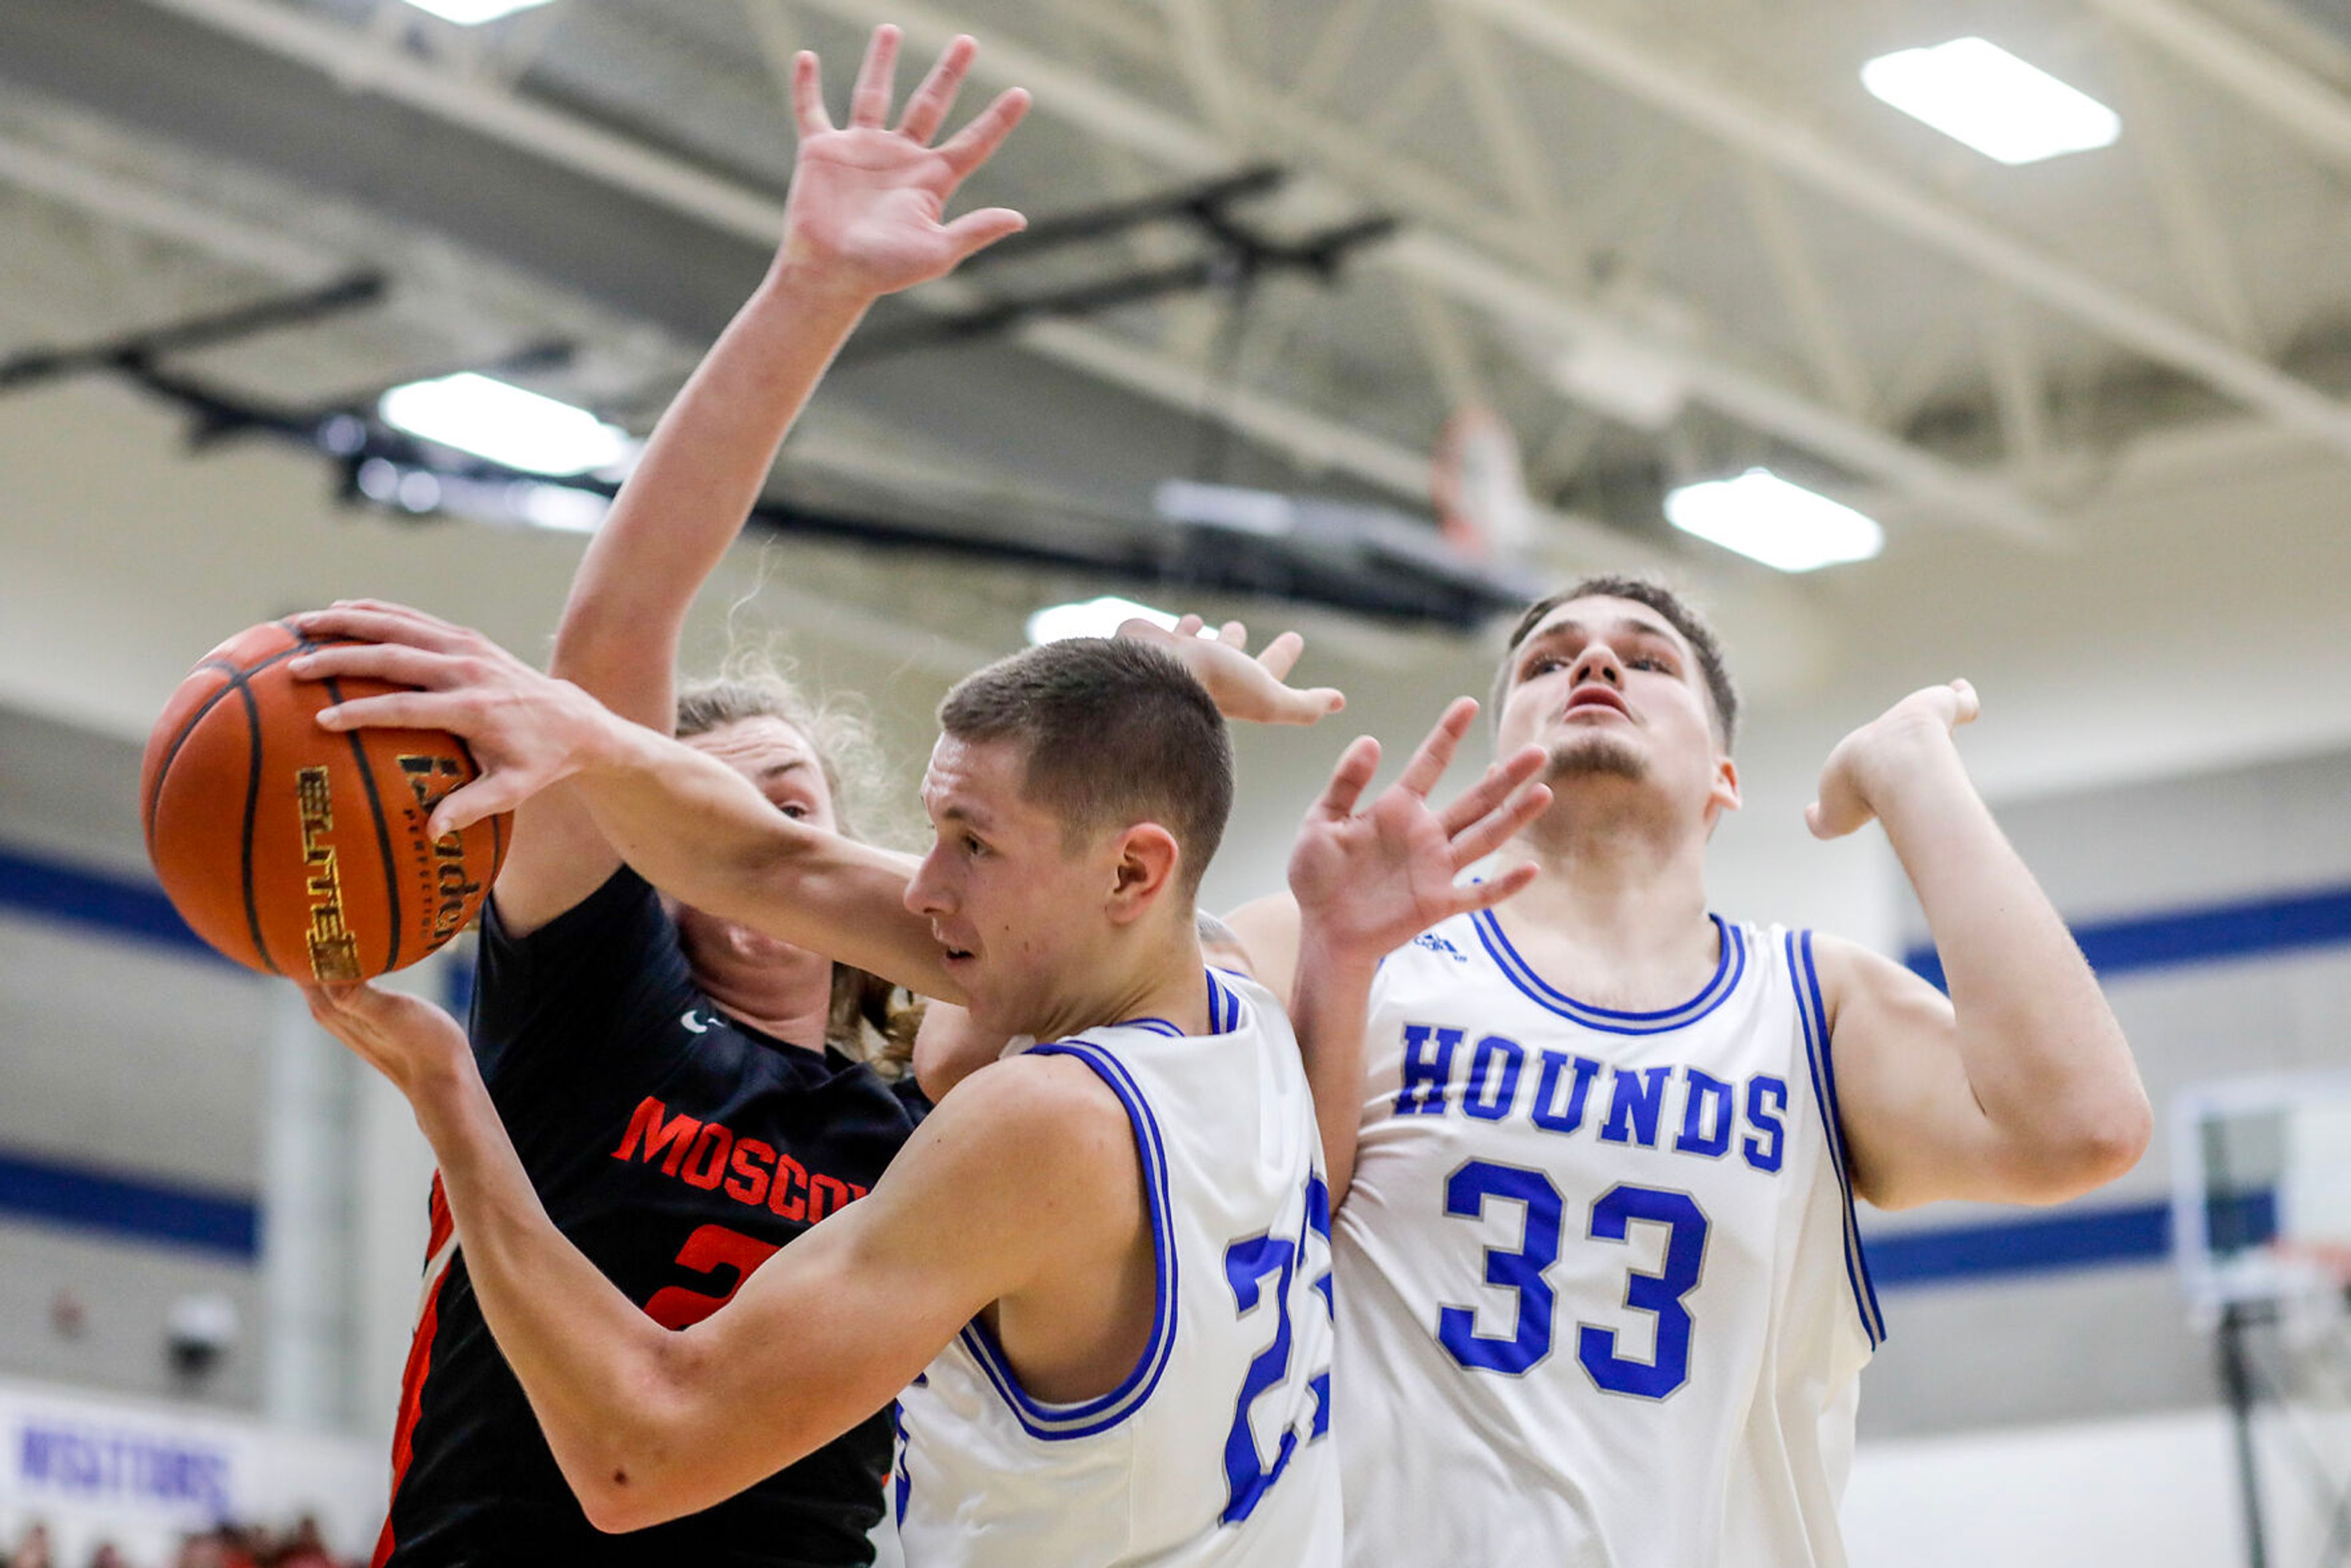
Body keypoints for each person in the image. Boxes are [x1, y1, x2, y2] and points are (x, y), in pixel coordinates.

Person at [286, 608, 1497, 1564]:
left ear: (1132, 872)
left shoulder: (1051, 1126)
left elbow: (635, 1457)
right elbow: (779, 862)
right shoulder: (1235, 996)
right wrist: (587, 736)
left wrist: (451, 1093)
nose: (922, 887)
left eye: (972, 842)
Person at [347, 27, 1035, 1564]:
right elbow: (616, 636)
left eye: (794, 802)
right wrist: (813, 292)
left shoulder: (931, 1115)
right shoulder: (592, 998)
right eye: (708, 823)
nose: (766, 841)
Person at [1228, 575, 2154, 1566]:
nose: (1592, 663)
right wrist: (1146, 708)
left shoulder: (1813, 1003)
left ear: (1725, 776)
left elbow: (2084, 1125)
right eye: (1547, 660)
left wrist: (1916, 775)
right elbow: (1109, 1097)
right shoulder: (1337, 937)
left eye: (1650, 659)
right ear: (1499, 756)